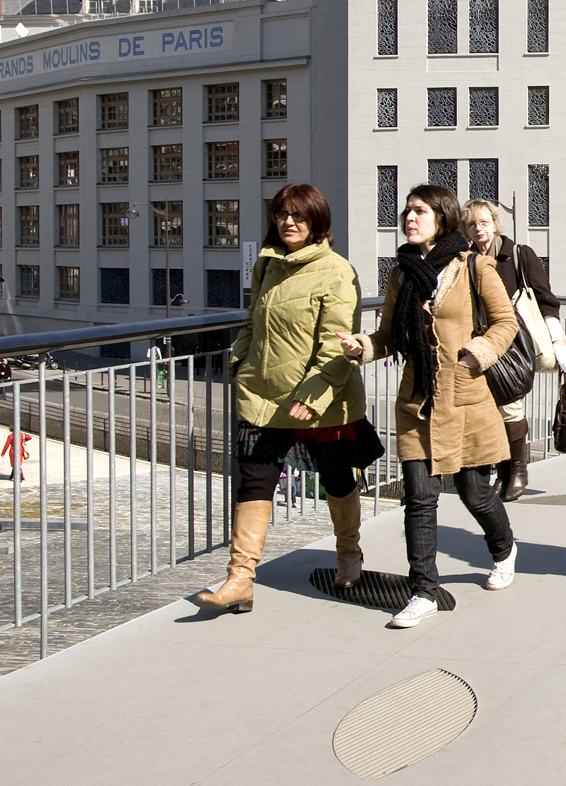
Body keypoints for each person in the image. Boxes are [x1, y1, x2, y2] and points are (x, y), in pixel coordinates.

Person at [340, 183, 520, 629]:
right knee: (419, 498)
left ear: (441, 217)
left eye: (419, 211)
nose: (409, 218)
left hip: (465, 397)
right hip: (417, 399)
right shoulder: (401, 273)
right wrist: (362, 347)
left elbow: (505, 322)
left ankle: (504, 549)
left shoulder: (474, 266)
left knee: (475, 493)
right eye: (407, 211)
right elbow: (388, 336)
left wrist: (475, 354)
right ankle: (423, 590)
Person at [195, 185, 370, 615]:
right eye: (281, 215)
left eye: (299, 216)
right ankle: (240, 578)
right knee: (254, 480)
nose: (288, 223)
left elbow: (337, 344)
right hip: (263, 395)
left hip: (319, 398)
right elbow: (252, 322)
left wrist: (314, 393)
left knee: (335, 477)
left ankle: (349, 555)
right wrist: (240, 361)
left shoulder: (336, 271)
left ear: (317, 222)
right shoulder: (267, 264)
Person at [466, 199, 559, 500]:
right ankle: (503, 471)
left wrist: (556, 337)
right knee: (490, 410)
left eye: (484, 222)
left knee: (509, 406)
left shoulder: (518, 254)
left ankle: (518, 469)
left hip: (513, 342)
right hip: (479, 343)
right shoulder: (465, 260)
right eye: (471, 224)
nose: (478, 229)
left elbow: (546, 298)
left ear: (495, 224)